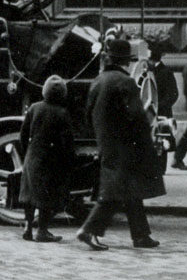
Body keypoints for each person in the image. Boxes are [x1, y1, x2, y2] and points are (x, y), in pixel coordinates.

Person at [76, 38, 165, 250]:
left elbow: (87, 114)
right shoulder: (125, 82)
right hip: (126, 145)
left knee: (130, 190)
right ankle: (89, 230)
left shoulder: (99, 80)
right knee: (115, 192)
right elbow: (136, 116)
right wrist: (147, 141)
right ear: (127, 61)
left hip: (107, 142)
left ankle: (141, 236)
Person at [18, 75, 75, 243]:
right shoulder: (62, 113)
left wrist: (26, 152)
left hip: (32, 156)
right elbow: (67, 142)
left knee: (29, 196)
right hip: (51, 160)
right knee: (46, 197)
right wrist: (69, 160)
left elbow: (23, 134)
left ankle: (28, 227)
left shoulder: (34, 108)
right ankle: (42, 231)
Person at [148, 46, 179, 119]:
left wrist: (159, 106)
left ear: (152, 60)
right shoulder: (150, 71)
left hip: (162, 113)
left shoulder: (166, 72)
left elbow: (173, 94)